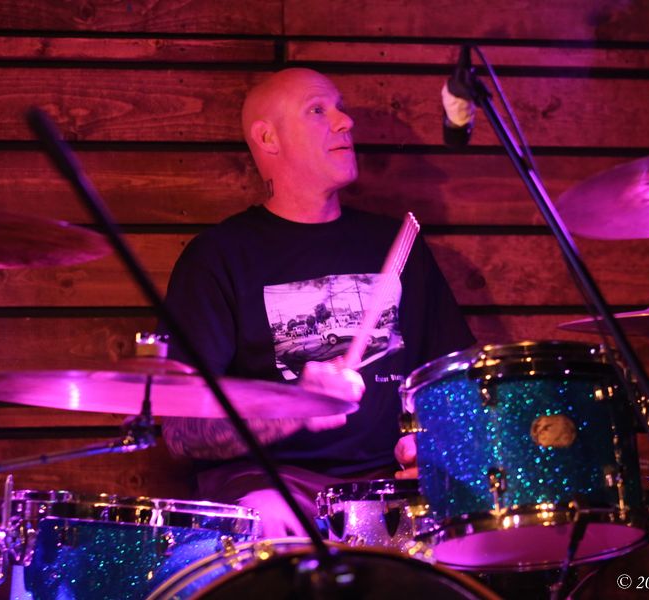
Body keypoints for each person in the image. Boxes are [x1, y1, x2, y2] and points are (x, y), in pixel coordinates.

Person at [160, 68, 474, 537]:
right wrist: (295, 407)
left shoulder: (395, 243)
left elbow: (455, 379)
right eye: (317, 110)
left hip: (387, 484)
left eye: (340, 107)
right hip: (273, 486)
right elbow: (181, 432)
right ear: (268, 138)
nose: (345, 121)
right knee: (269, 518)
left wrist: (428, 443)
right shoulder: (218, 258)